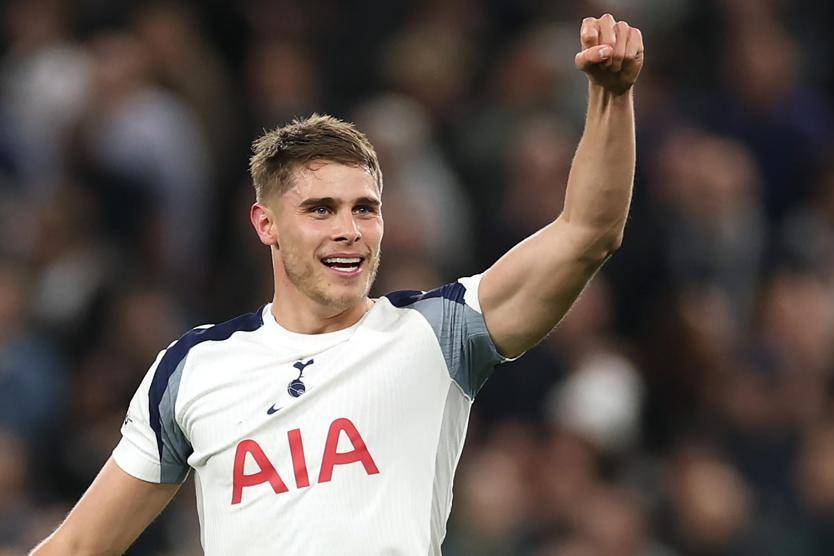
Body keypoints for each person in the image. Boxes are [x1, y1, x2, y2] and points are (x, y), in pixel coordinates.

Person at [32, 14, 643, 555]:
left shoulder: (437, 333)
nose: (349, 230)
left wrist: (611, 97)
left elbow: (587, 233)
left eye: (364, 209)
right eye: (321, 209)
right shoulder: (192, 367)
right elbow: (80, 544)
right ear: (266, 224)